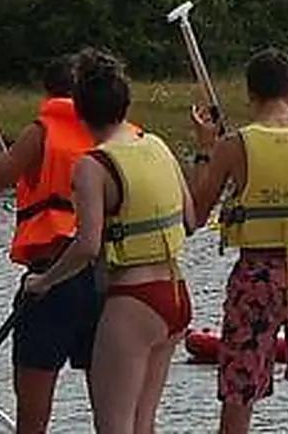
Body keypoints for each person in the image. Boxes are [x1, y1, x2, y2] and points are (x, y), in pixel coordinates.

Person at [22, 48, 195, 434]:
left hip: (134, 302)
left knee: (114, 425)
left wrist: (43, 282)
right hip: (176, 295)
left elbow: (86, 246)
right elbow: (191, 219)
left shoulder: (93, 165)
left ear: (78, 112)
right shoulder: (157, 145)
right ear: (125, 104)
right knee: (143, 424)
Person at [188, 48, 288, 434]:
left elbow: (195, 215)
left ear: (250, 94)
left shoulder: (234, 146)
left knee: (239, 391)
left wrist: (205, 149)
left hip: (257, 276)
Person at [0, 53, 103, 434]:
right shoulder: (111, 132)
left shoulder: (41, 133)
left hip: (51, 278)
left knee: (33, 421)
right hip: (108, 278)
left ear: (48, 92)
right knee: (115, 416)